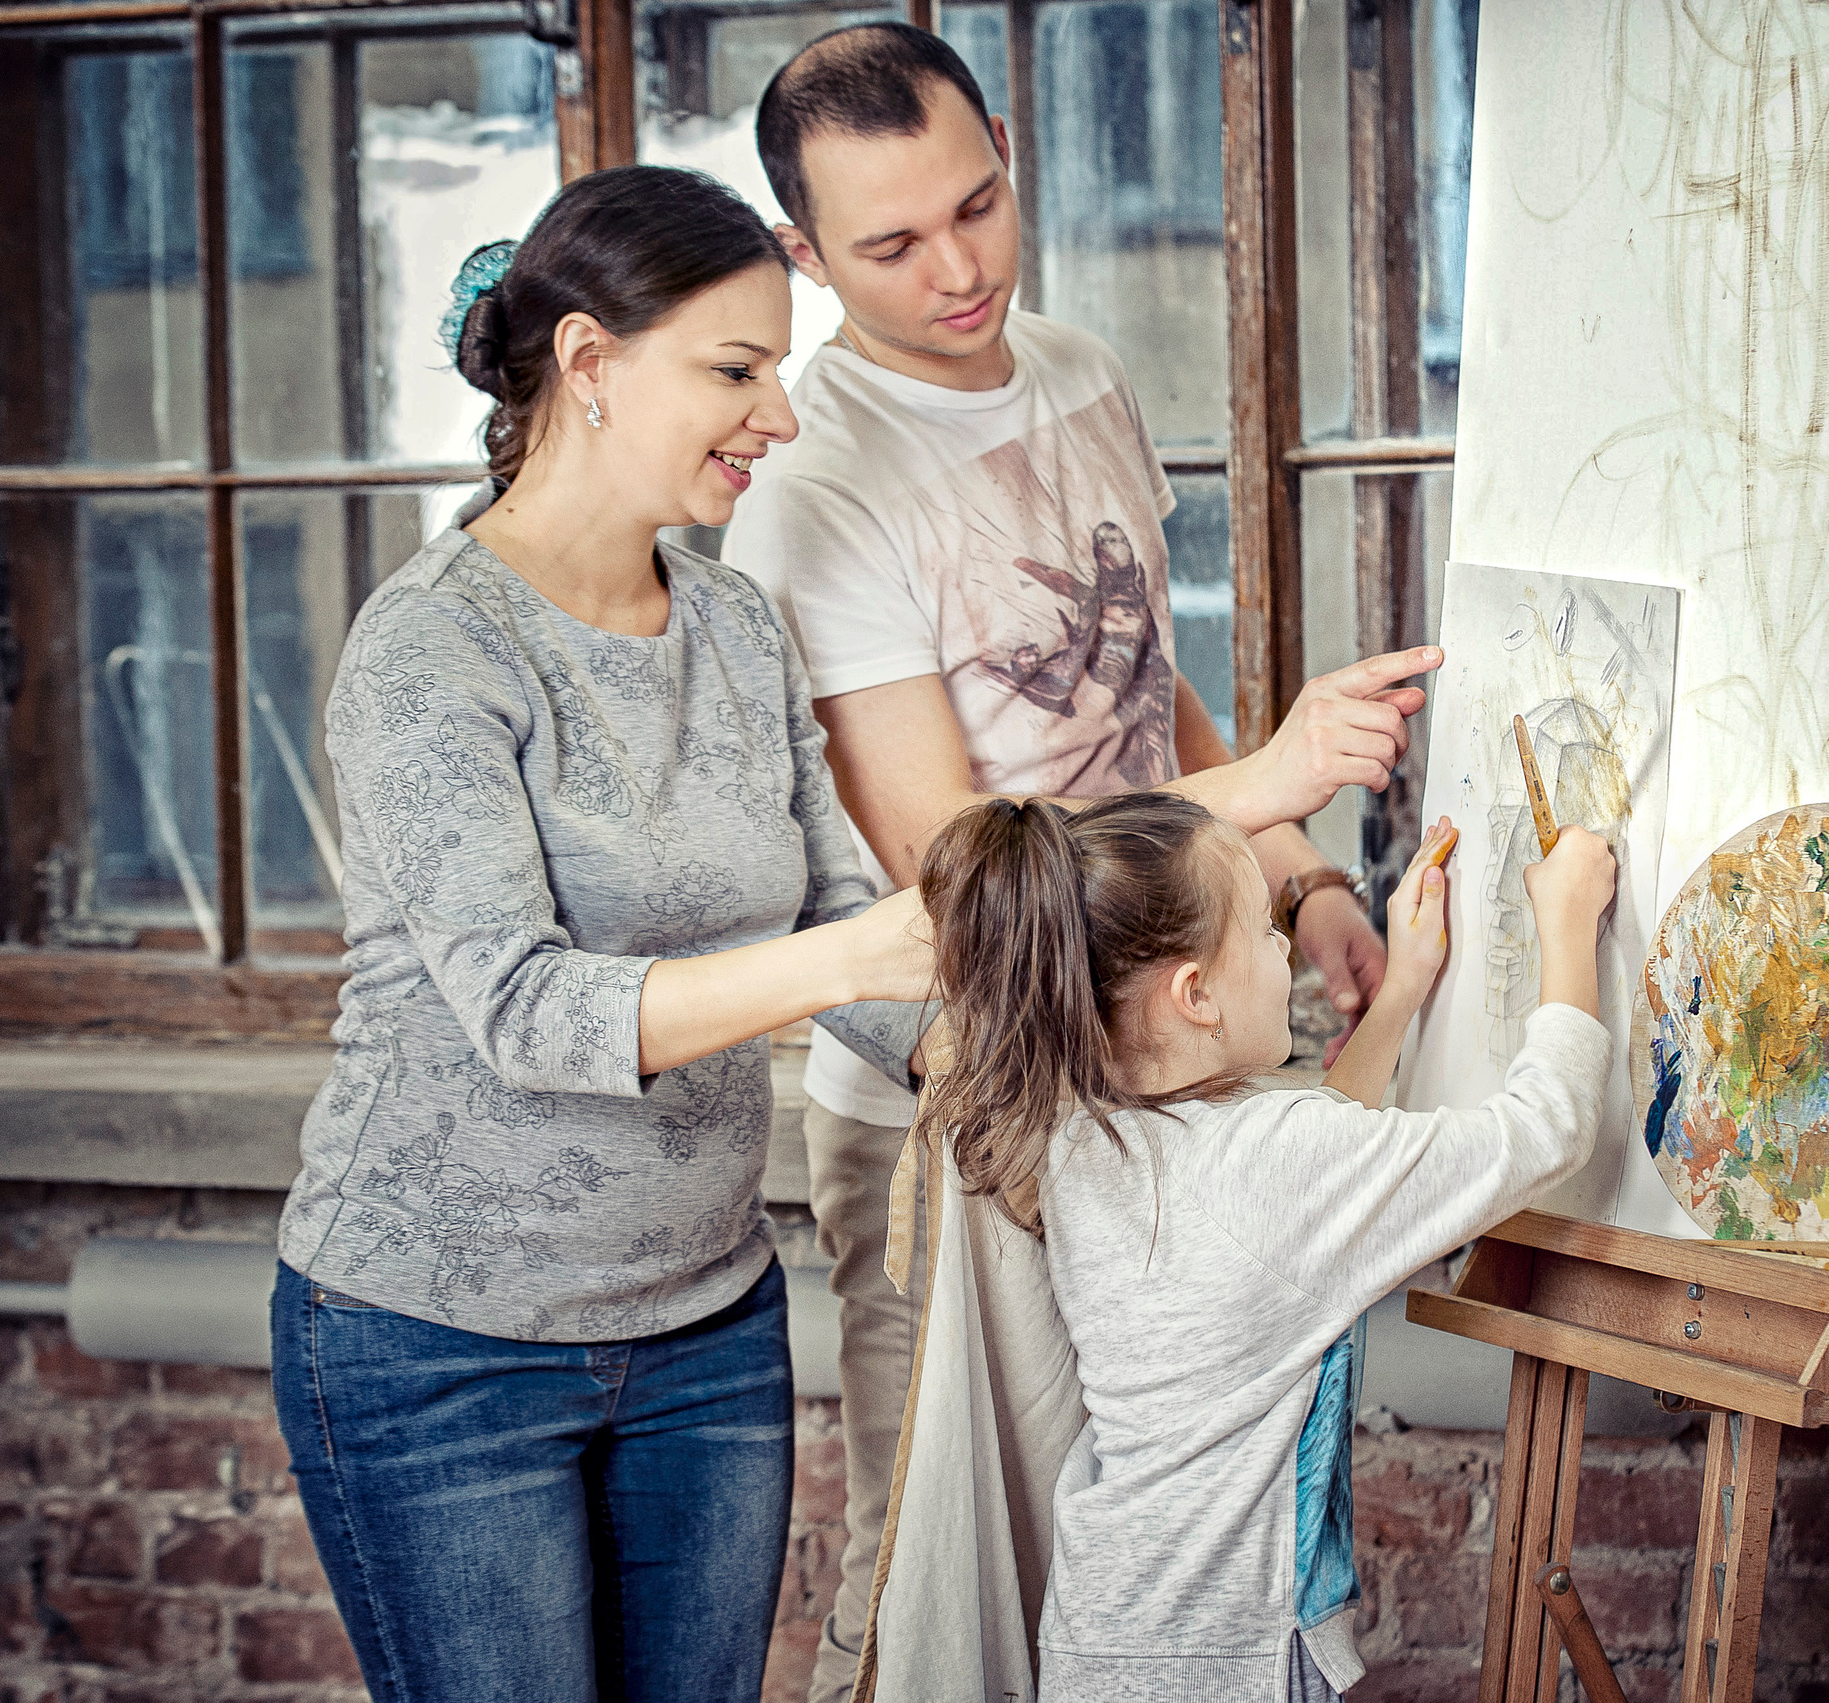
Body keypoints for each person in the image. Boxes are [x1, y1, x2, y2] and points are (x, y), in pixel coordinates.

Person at [728, 28, 1433, 1698]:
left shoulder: (1077, 364)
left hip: (1173, 1076)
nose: (960, 267)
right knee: (946, 1588)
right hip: (968, 1117)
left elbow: (1139, 690)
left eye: (980, 205)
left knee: (1174, 1568)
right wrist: (1265, 781)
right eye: (893, 246)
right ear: (802, 258)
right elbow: (960, 869)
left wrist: (1298, 872)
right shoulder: (813, 483)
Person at [269, 165, 933, 1703]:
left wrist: (1012, 1052)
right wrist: (853, 959)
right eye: (737, 368)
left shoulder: (734, 623)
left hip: (706, 1320)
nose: (778, 412)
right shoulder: (431, 646)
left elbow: (836, 906)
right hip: (439, 1340)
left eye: (778, 367)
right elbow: (525, 1006)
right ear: (588, 363)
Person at [908, 795, 1616, 1699]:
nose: (1288, 948)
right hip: (1219, 1665)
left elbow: (1300, 1185)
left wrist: (1401, 992)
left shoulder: (1091, 1133)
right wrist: (1567, 931)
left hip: (1105, 1639)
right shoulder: (1268, 1164)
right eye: (1266, 926)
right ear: (1194, 991)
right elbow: (1544, 1132)